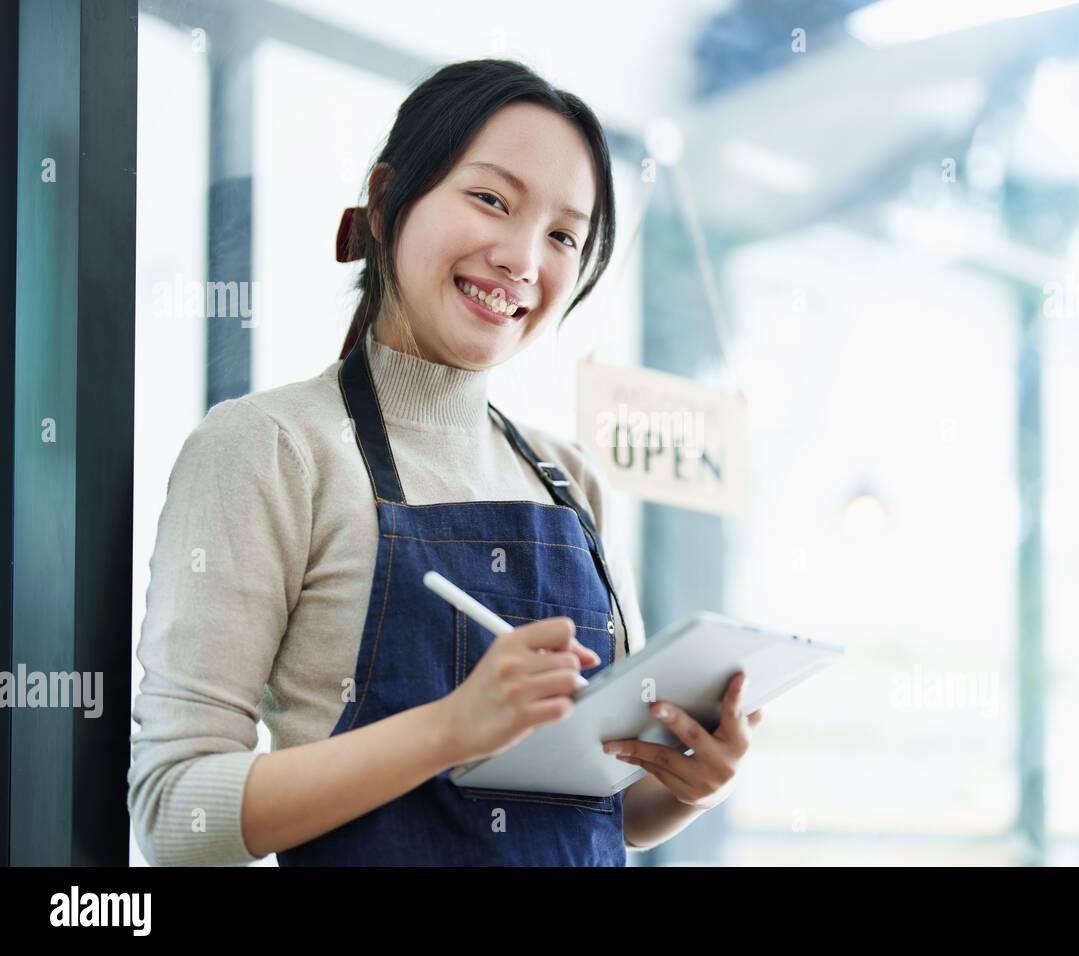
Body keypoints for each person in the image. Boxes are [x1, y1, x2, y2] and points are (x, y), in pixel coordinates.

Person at [128, 58, 761, 868]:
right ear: (389, 199)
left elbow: (607, 805)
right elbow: (174, 813)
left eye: (564, 235)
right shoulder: (273, 446)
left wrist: (688, 783)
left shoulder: (570, 480)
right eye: (492, 200)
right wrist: (450, 730)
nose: (523, 259)